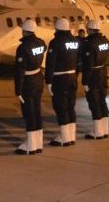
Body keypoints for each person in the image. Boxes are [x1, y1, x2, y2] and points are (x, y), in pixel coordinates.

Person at [13, 19, 46, 155]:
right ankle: (38, 142)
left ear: (25, 30)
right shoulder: (41, 43)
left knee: (29, 112)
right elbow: (43, 49)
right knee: (37, 111)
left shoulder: (23, 47)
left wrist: (18, 90)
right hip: (38, 78)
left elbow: (19, 71)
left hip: (28, 82)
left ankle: (31, 145)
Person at [45, 18, 79, 146]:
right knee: (70, 106)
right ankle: (71, 135)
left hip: (60, 78)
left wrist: (48, 80)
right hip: (72, 76)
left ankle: (64, 137)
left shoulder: (55, 42)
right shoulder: (74, 40)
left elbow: (50, 63)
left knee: (61, 107)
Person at [80, 20, 109, 140]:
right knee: (102, 101)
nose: (86, 30)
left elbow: (88, 65)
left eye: (87, 29)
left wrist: (85, 81)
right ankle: (105, 129)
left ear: (91, 29)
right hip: (102, 72)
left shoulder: (89, 43)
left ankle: (98, 131)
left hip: (93, 75)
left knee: (94, 102)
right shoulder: (104, 40)